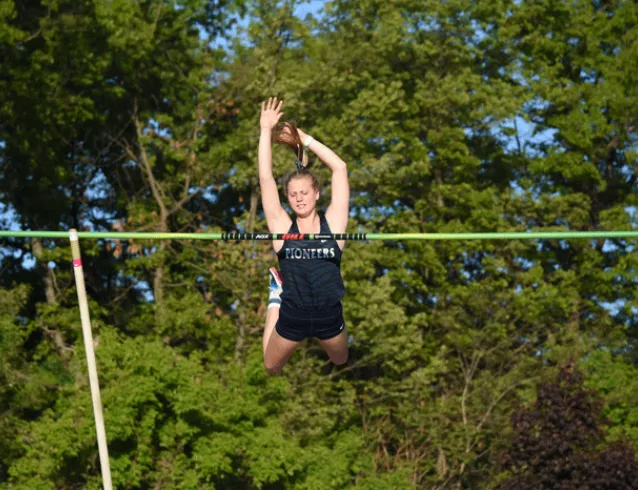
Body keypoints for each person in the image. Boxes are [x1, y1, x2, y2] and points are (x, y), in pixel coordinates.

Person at [258, 96, 349, 374]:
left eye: (304, 193)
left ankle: (281, 296)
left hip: (328, 314)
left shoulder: (333, 225)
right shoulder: (283, 229)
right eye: (293, 194)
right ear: (287, 198)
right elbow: (265, 178)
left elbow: (340, 168)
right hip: (293, 314)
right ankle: (277, 295)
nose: (299, 199)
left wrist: (306, 139)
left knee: (340, 360)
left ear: (316, 194)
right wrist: (264, 131)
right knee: (271, 366)